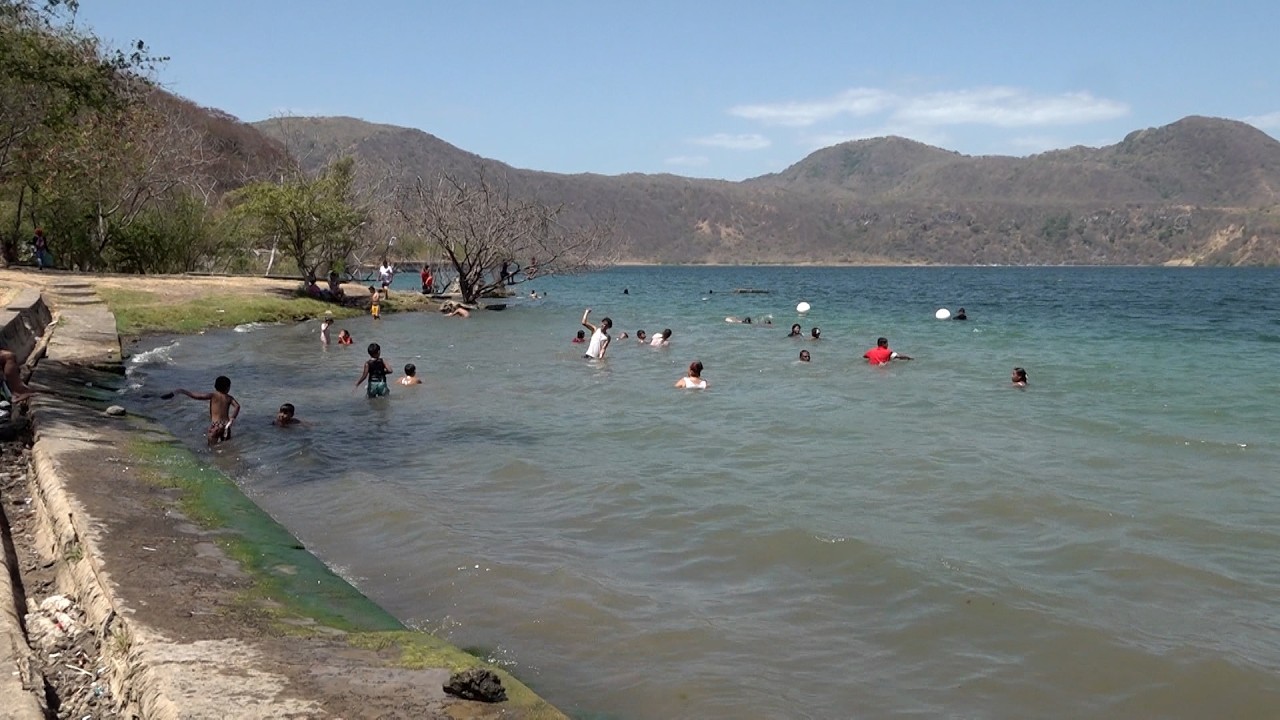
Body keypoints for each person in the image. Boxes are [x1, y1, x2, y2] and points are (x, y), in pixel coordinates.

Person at [169, 375, 240, 446]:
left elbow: (197, 396)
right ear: (228, 388)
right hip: (226, 426)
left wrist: (183, 391)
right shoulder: (229, 398)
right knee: (227, 446)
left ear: (215, 386)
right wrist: (232, 418)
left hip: (216, 426)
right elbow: (237, 406)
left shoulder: (213, 395)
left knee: (211, 447)